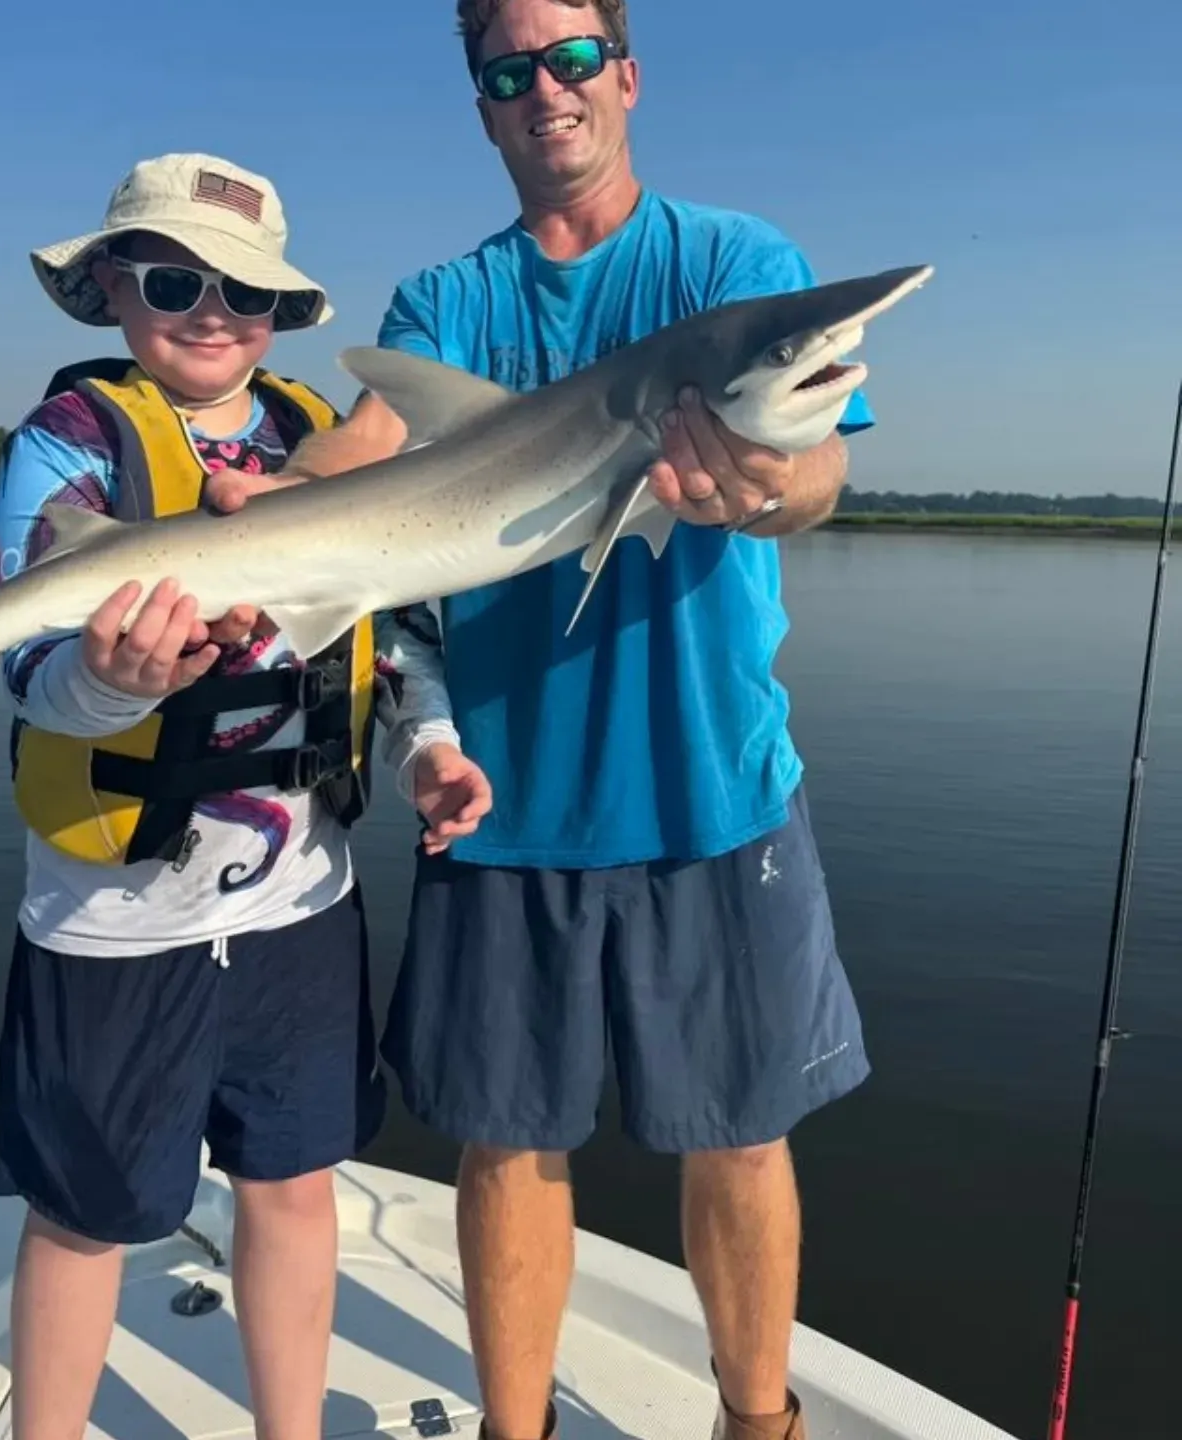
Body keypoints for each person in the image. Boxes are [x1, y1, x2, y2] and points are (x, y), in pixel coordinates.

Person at [213, 5, 878, 1439]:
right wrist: (271, 502)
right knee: (505, 1143)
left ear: (626, 76)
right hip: (502, 790)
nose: (547, 91)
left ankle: (758, 1423)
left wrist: (758, 484)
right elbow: (374, 440)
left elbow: (821, 470)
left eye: (573, 57)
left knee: (742, 1137)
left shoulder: (733, 267)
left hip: (717, 784)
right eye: (509, 70)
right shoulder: (451, 297)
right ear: (486, 107)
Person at [0, 151, 491, 1440]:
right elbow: (29, 669)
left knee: (295, 1182)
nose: (212, 312)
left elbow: (399, 628)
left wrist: (430, 742)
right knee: (86, 1215)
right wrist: (110, 684)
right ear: (108, 288)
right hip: (115, 920)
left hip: (303, 902)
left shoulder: (325, 447)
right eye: (174, 279)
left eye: (248, 294)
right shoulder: (67, 447)